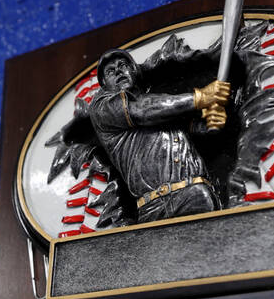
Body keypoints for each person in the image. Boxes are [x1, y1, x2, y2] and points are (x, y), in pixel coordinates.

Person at [88, 48, 230, 222]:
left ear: (133, 71)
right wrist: (200, 97)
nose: (118, 71)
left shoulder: (162, 107)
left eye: (123, 65)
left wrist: (213, 120)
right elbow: (141, 110)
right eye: (110, 71)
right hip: (154, 207)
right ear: (103, 83)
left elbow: (198, 131)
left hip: (196, 194)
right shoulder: (102, 108)